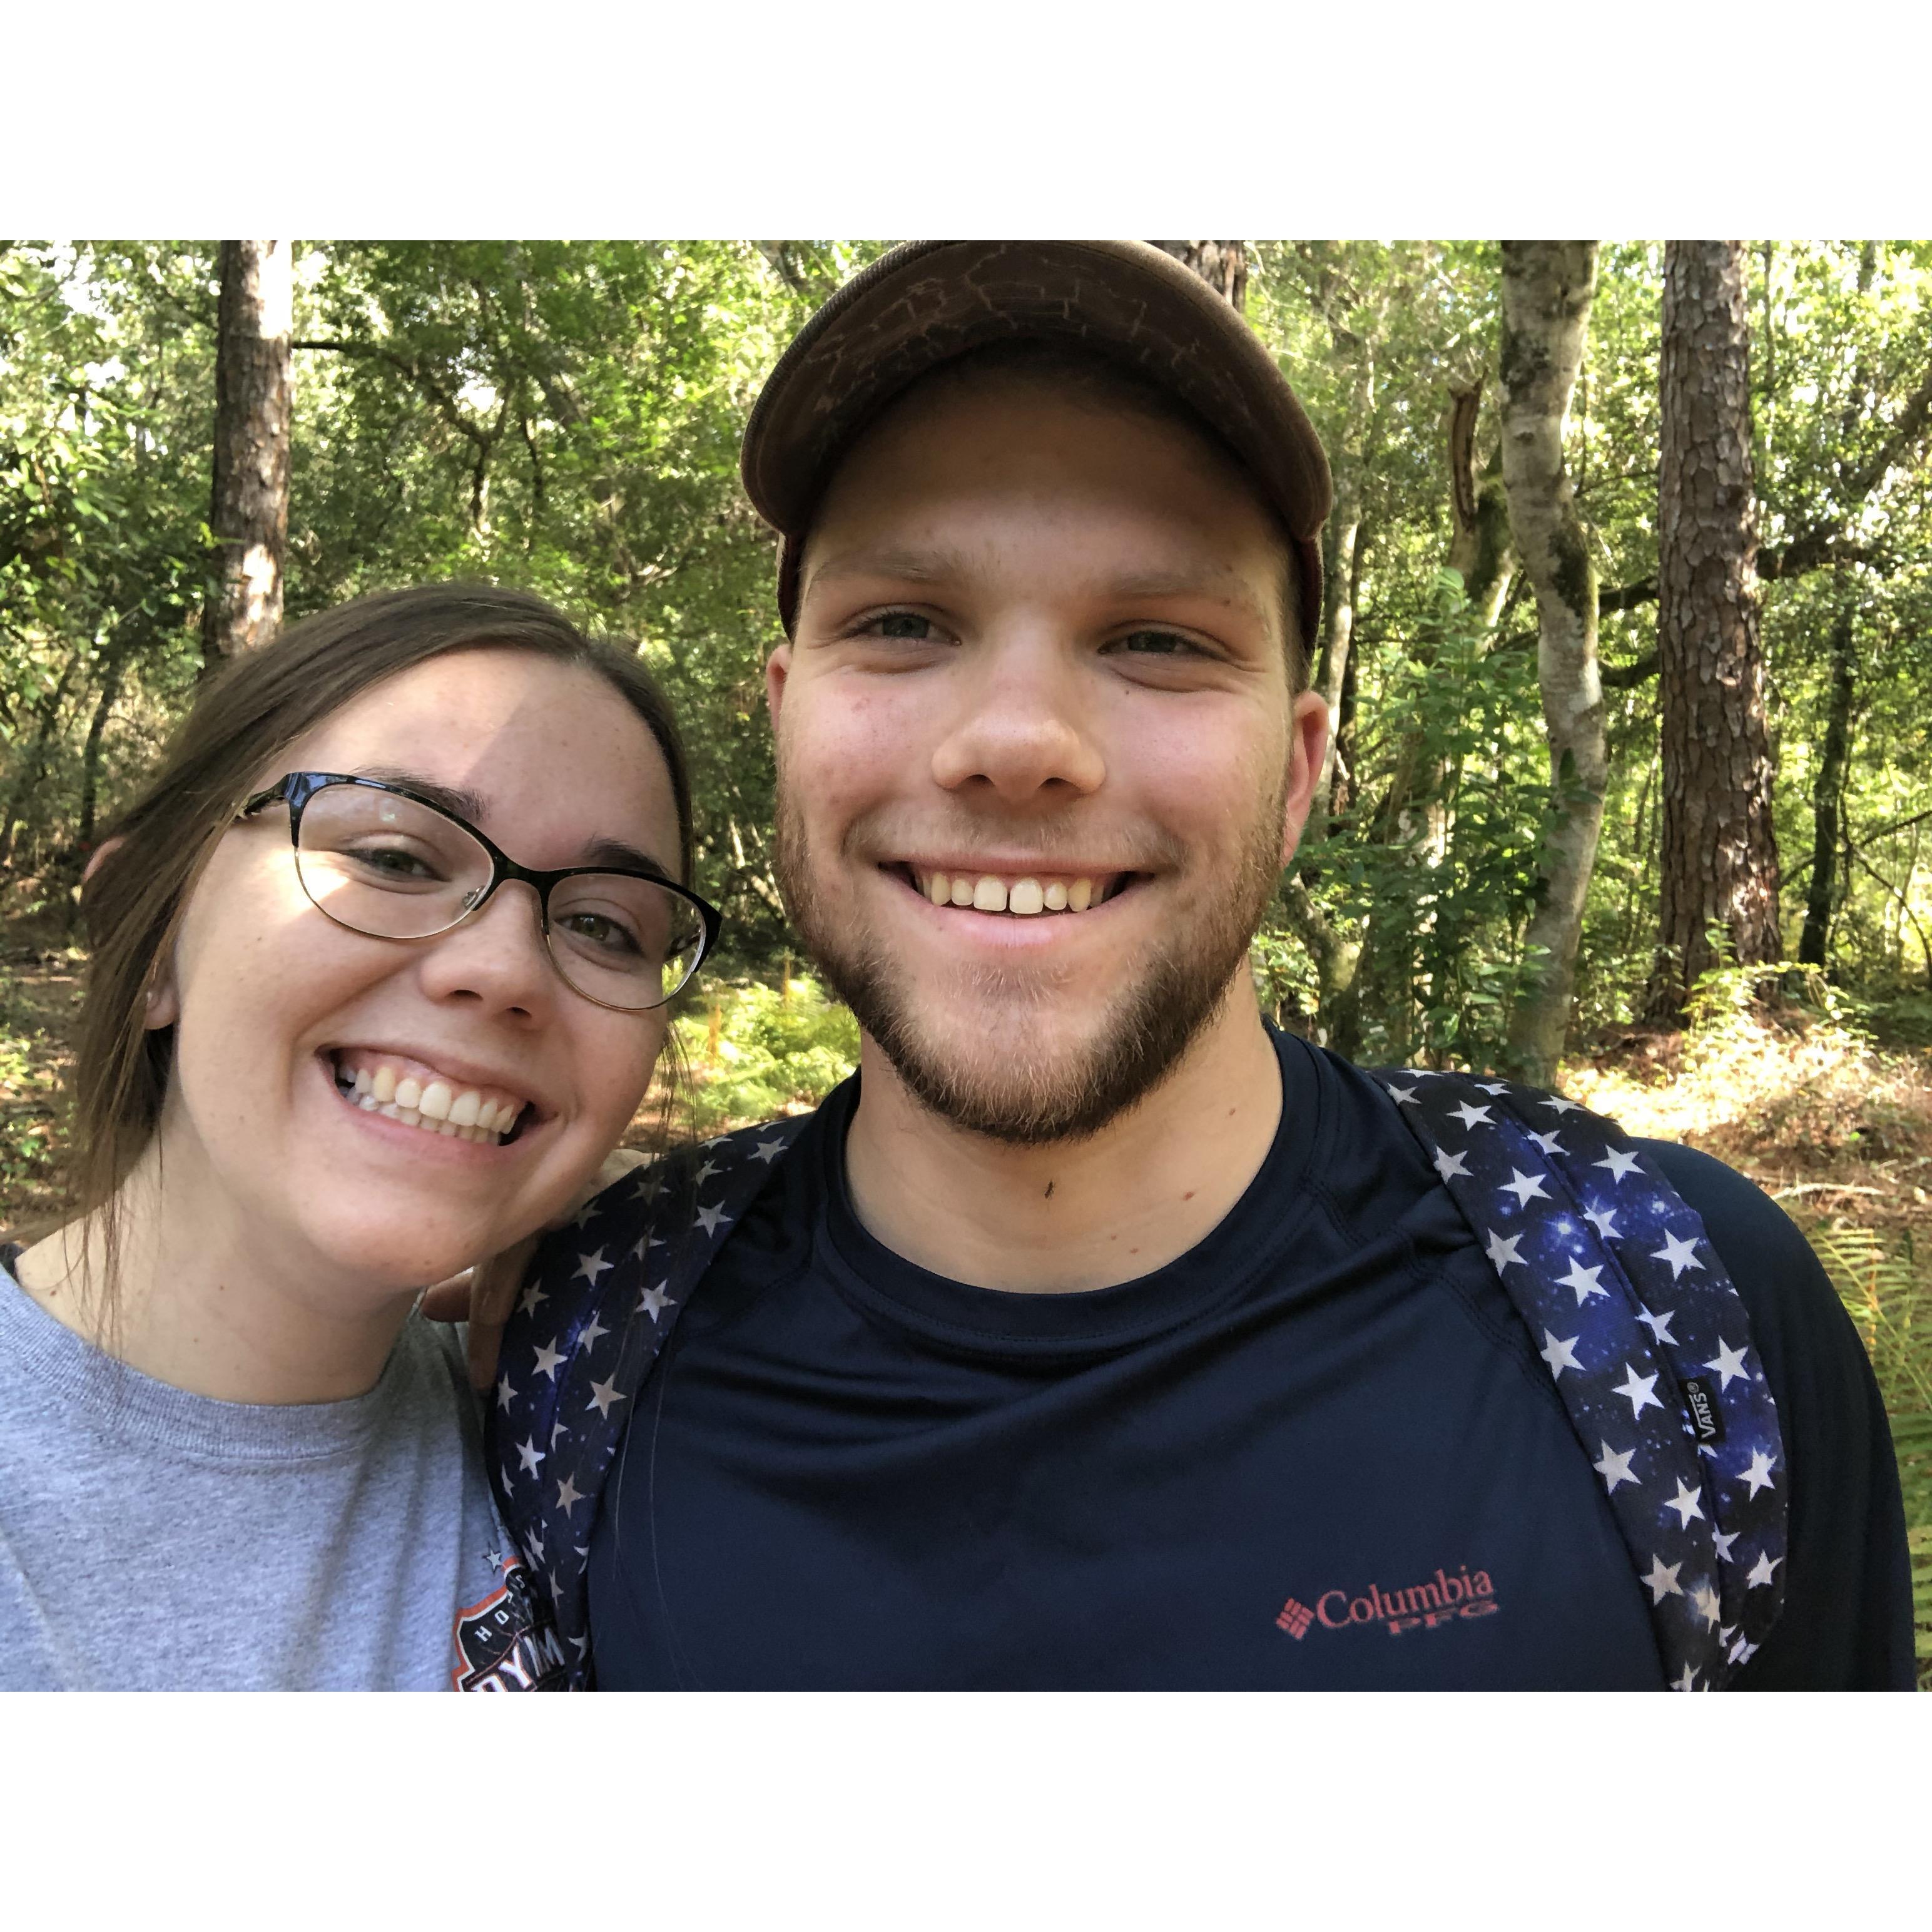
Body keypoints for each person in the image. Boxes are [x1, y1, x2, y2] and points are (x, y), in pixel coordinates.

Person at [486, 241, 1914, 1689]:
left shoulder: (1659, 1305)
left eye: (1156, 638)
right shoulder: (578, 1342)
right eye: (903, 623)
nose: (1018, 739)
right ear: (787, 719)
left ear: (1295, 777)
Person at [0, 584, 718, 1690]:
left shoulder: (585, 1413)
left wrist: (632, 1235)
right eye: (394, 857)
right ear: (145, 944)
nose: (504, 969)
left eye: (600, 924)